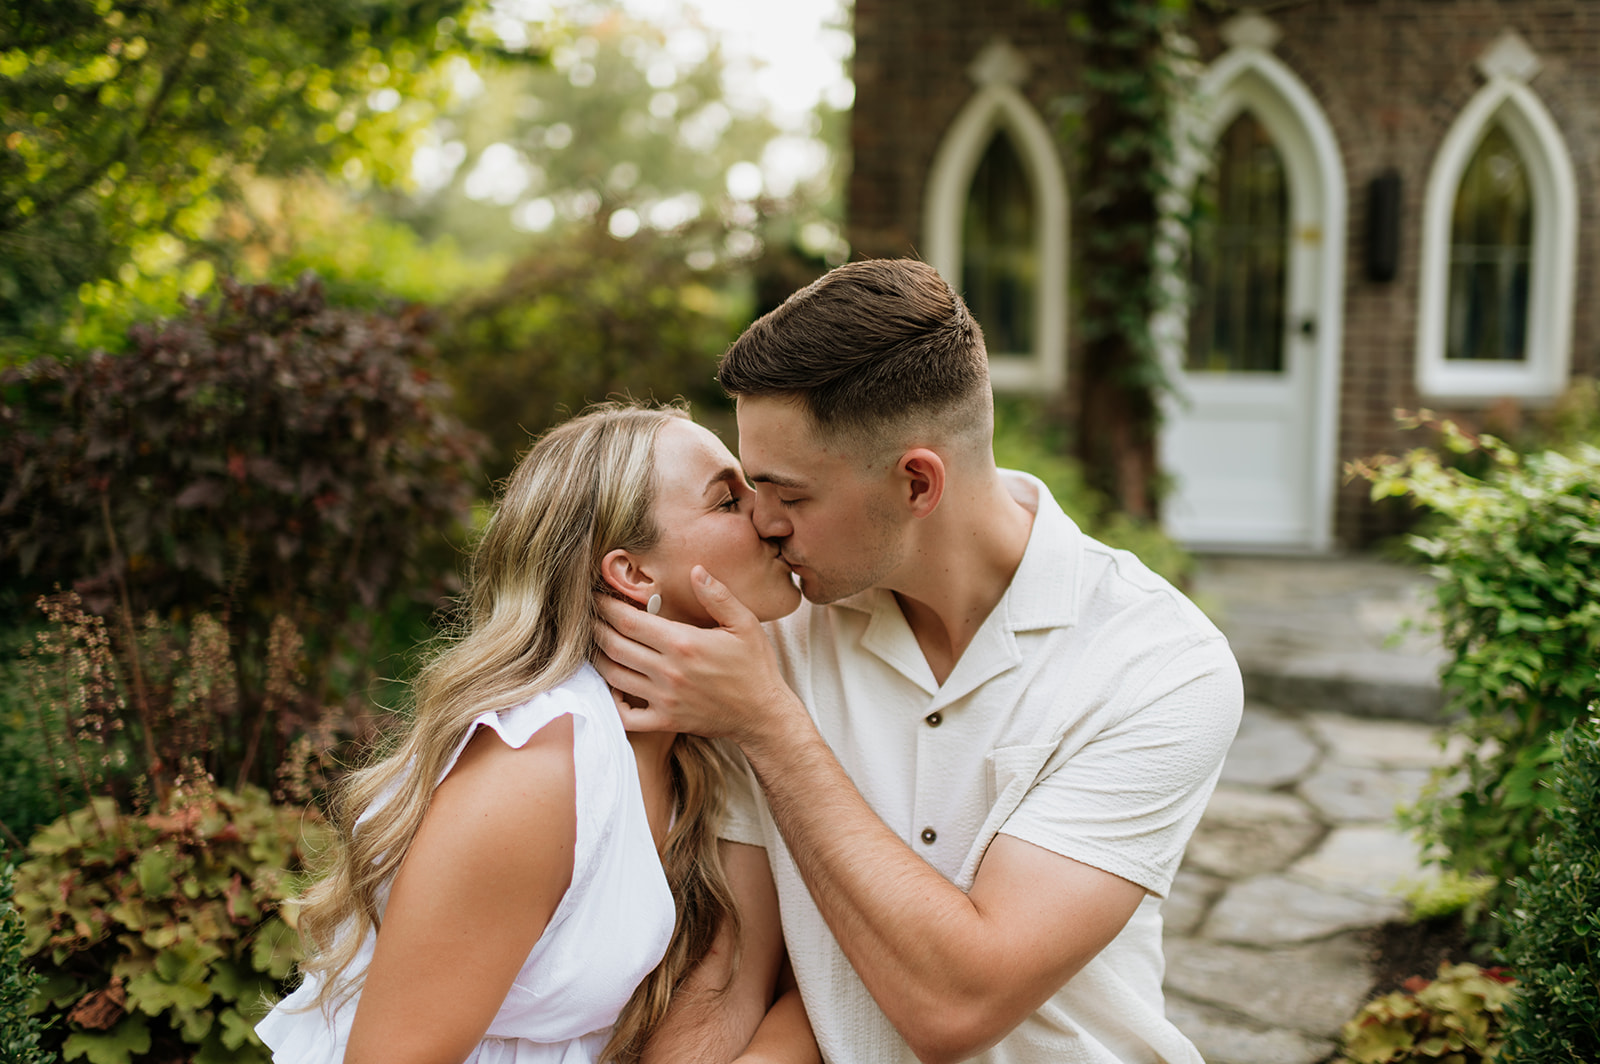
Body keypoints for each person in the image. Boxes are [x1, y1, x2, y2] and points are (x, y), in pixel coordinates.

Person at [593, 259, 1245, 1063]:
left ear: (916, 482)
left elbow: (958, 1005)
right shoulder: (771, 633)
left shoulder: (1158, 666)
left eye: (789, 495)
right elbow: (729, 970)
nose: (761, 524)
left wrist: (769, 726)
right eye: (748, 488)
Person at [256, 403, 820, 1064]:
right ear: (631, 574)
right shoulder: (538, 770)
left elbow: (741, 983)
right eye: (728, 499)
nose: (769, 515)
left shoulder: (698, 743)